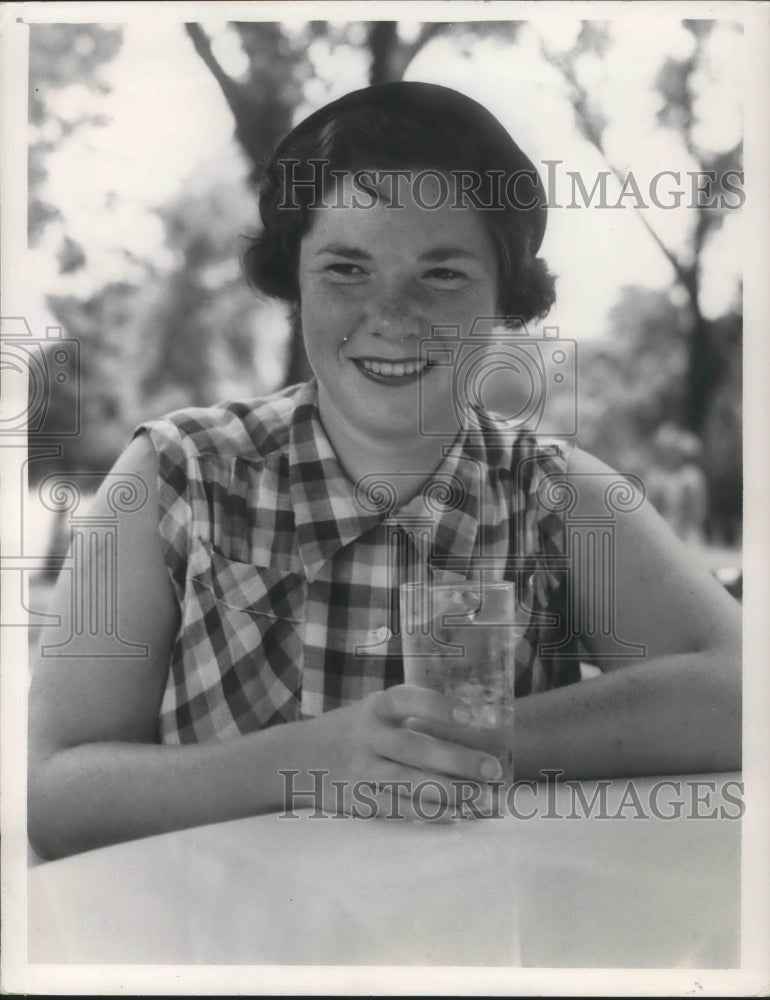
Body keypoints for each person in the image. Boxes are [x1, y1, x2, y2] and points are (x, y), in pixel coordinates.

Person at [28, 83, 741, 860]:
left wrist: (469, 738)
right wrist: (311, 762)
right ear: (291, 279)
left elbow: (740, 695)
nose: (393, 316)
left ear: (505, 296)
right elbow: (59, 794)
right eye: (346, 269)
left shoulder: (553, 494)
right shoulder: (174, 476)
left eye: (442, 276)